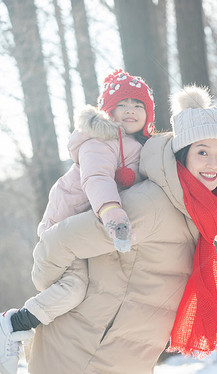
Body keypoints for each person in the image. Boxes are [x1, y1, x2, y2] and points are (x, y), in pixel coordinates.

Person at [3, 85, 217, 374]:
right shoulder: (152, 203)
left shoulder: (201, 213)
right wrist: (56, 286)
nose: (214, 164)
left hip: (126, 359)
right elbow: (58, 242)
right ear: (183, 154)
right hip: (81, 355)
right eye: (202, 152)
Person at [0, 68, 155, 374]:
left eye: (138, 105)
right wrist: (112, 212)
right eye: (122, 105)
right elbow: (97, 179)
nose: (131, 111)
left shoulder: (140, 146)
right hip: (63, 228)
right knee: (74, 289)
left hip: (88, 235)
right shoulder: (99, 141)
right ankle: (14, 324)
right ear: (108, 111)